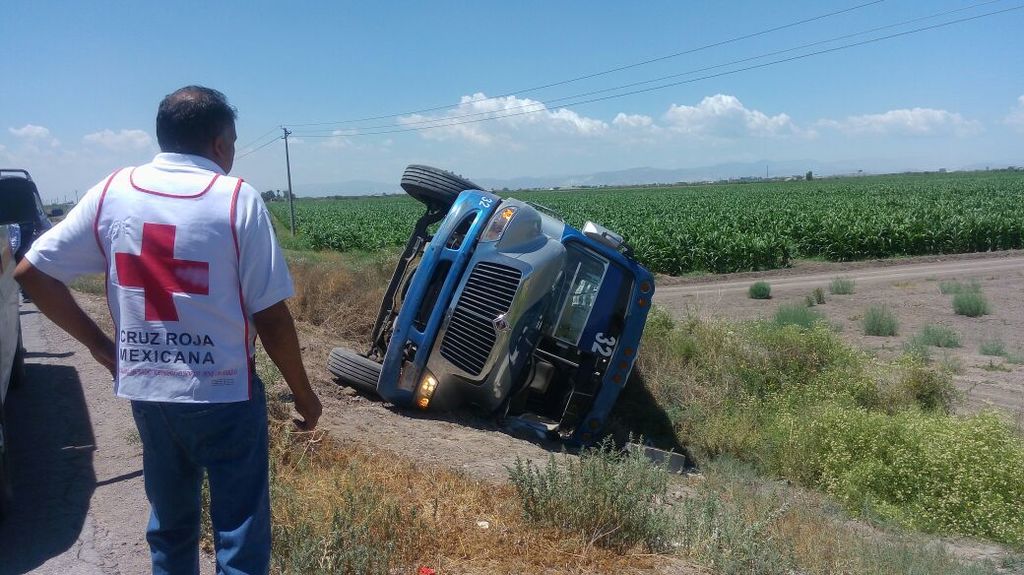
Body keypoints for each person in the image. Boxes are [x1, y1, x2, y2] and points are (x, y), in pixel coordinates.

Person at [15, 85, 322, 575]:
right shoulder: (236, 199)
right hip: (225, 395)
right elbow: (270, 316)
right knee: (240, 535)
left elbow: (32, 273)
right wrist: (304, 394)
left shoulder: (113, 191)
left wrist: (101, 348)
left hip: (151, 394)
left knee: (170, 529)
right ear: (220, 143)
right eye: (235, 142)